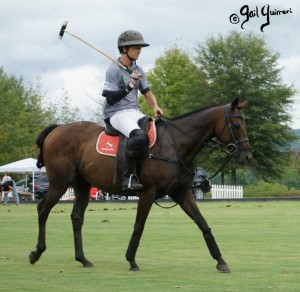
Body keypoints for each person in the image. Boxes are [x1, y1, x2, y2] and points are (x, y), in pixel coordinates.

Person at [102, 30, 163, 191]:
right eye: (136, 48)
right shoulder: (113, 69)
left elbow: (147, 93)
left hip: (134, 111)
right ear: (124, 49)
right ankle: (127, 177)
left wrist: (155, 106)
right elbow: (110, 98)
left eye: (140, 48)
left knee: (152, 132)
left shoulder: (138, 70)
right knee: (138, 135)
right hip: (116, 113)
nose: (139, 51)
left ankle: (145, 171)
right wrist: (129, 86)